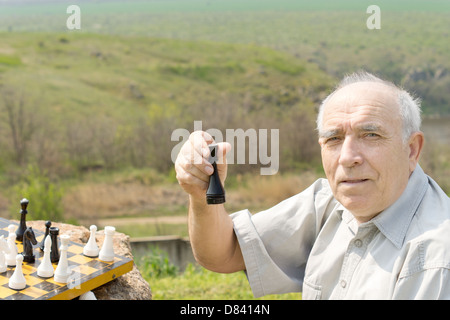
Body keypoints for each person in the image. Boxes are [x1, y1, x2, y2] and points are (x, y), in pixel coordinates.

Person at [174, 71, 450, 299]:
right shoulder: (327, 203)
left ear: (412, 150)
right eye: (334, 139)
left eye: (370, 135)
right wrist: (201, 197)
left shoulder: (436, 258)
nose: (347, 157)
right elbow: (223, 253)